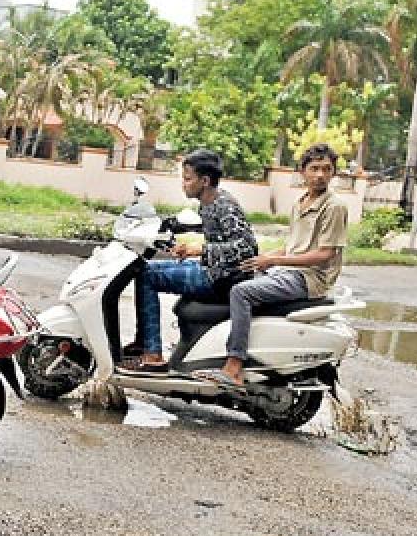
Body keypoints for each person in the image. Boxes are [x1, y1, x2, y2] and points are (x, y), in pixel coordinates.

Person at [194, 143, 348, 387]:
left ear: (333, 173)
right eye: (314, 168)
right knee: (239, 277)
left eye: (326, 169)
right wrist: (260, 260)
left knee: (241, 292)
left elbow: (324, 254)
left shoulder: (334, 206)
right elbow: (293, 247)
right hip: (290, 270)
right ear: (303, 171)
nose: (320, 175)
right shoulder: (301, 203)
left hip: (309, 279)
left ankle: (234, 366)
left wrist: (275, 260)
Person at [125, 149, 258, 372]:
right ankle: (144, 342)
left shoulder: (225, 205)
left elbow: (247, 248)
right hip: (213, 269)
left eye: (188, 179)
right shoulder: (208, 202)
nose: (183, 184)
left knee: (148, 275)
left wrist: (201, 249)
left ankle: (153, 354)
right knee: (142, 267)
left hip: (221, 279)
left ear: (204, 181)